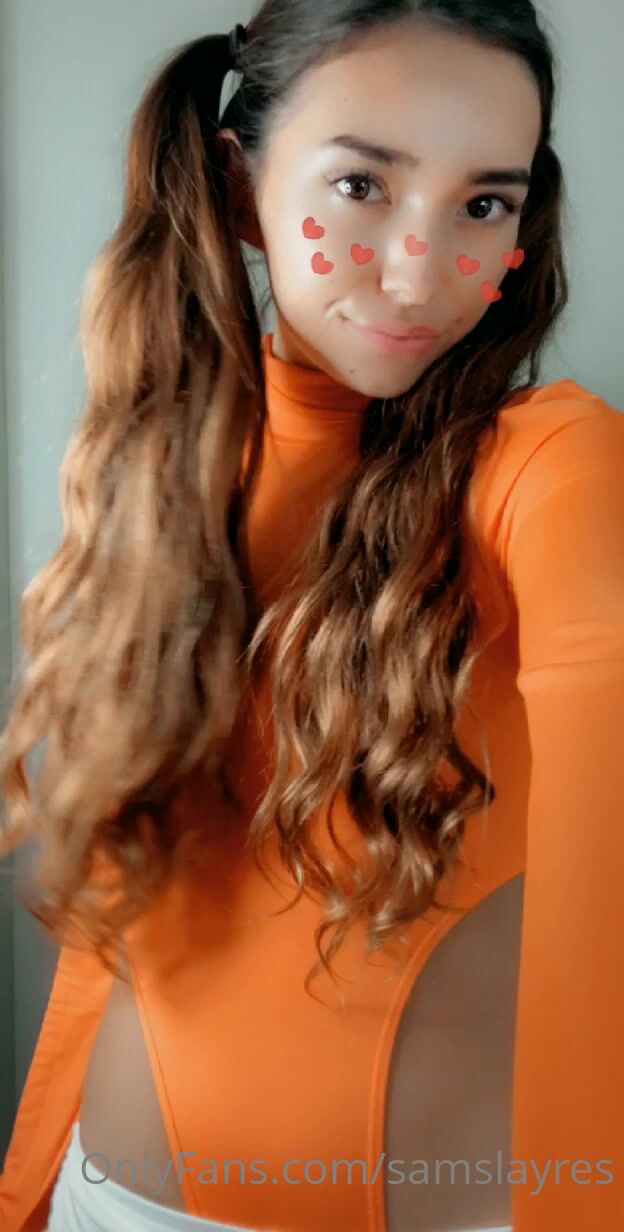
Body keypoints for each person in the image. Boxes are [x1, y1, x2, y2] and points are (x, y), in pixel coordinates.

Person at [0, 1, 623, 1230]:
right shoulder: (156, 468)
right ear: (241, 188)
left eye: (482, 203)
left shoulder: (554, 465)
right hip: (105, 1201)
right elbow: (127, 909)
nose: (419, 270)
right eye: (360, 186)